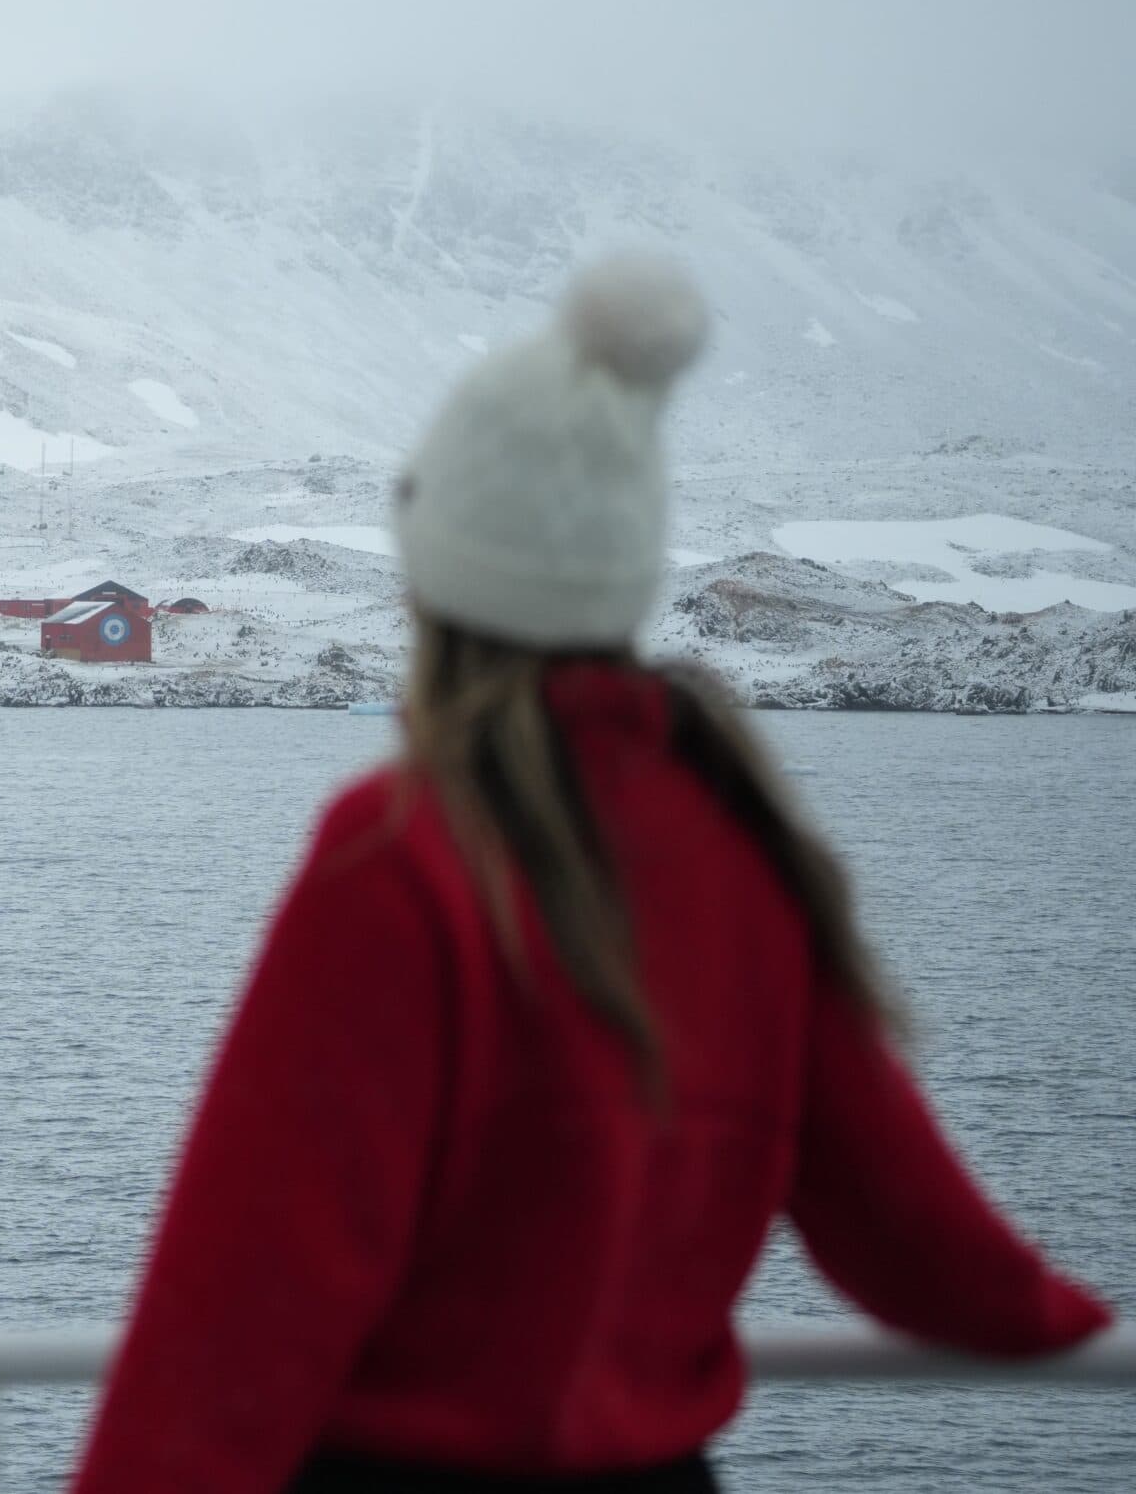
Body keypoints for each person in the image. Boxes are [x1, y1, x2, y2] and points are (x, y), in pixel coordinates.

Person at [66, 255, 1110, 1494]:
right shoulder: (741, 844)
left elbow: (238, 1305)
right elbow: (912, 1234)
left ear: (435, 581)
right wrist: (1063, 1325)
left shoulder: (399, 855)